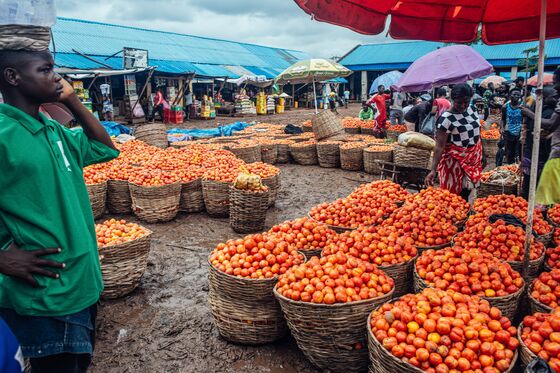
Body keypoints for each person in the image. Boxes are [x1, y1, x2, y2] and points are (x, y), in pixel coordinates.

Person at [0, 49, 119, 372]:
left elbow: (104, 149)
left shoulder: (54, 131)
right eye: (46, 69)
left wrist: (72, 102)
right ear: (13, 77)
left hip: (81, 285)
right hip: (43, 298)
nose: (58, 77)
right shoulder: (4, 135)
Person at [425, 84, 482, 201]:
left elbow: (478, 134)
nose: (463, 105)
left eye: (466, 102)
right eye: (459, 102)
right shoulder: (446, 119)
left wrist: (483, 154)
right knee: (454, 195)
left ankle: (465, 213)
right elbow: (439, 147)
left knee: (468, 190)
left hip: (473, 157)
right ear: (452, 99)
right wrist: (433, 170)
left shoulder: (472, 109)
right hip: (454, 162)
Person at [520, 86, 557, 199]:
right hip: (531, 151)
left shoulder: (552, 112)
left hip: (543, 154)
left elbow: (549, 125)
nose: (556, 99)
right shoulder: (535, 108)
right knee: (527, 183)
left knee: (539, 184)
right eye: (553, 97)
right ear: (545, 98)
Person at [502, 89, 523, 164]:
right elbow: (503, 119)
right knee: (509, 151)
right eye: (514, 94)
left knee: (518, 152)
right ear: (510, 95)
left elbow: (524, 121)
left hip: (520, 132)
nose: (516, 96)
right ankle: (510, 167)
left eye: (518, 95)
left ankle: (518, 167)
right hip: (509, 131)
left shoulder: (523, 107)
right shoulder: (505, 107)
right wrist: (502, 129)